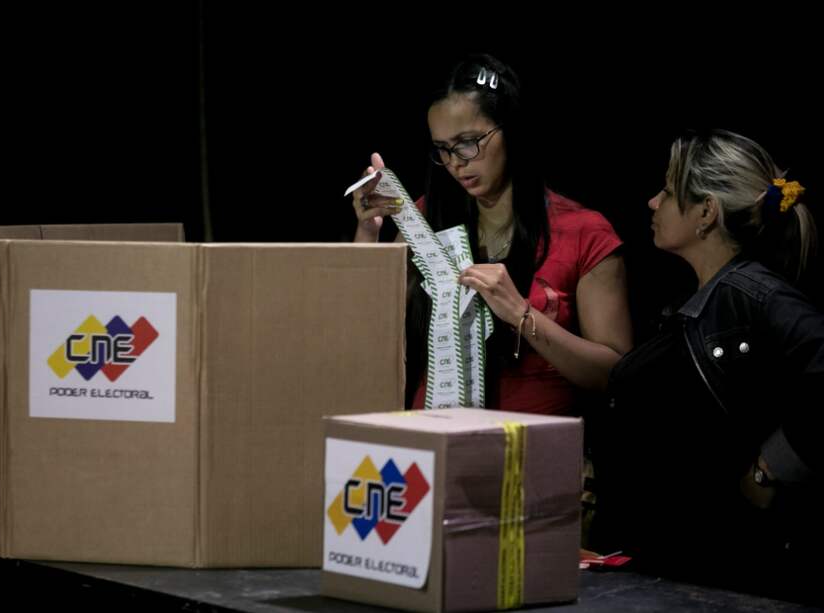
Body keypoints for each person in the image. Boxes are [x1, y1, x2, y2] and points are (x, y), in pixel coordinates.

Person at [592, 129, 824, 604]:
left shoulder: (750, 294)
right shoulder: (705, 299)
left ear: (706, 213)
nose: (653, 202)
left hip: (721, 582)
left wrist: (768, 470)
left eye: (668, 192)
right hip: (671, 576)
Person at [350, 53, 632, 415]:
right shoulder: (425, 218)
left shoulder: (584, 232)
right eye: (443, 149)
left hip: (534, 449)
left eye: (469, 142)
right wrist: (367, 236)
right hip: (434, 442)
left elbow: (615, 374)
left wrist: (521, 314)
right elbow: (364, 328)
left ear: (510, 129)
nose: (455, 162)